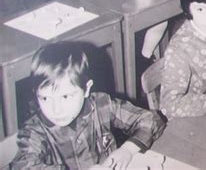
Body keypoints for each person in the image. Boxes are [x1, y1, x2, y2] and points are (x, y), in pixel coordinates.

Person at [11, 42, 165, 169]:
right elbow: (23, 166)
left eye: (65, 96)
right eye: (45, 98)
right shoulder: (35, 131)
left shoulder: (102, 104)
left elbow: (150, 119)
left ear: (86, 89)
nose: (56, 109)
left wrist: (127, 150)